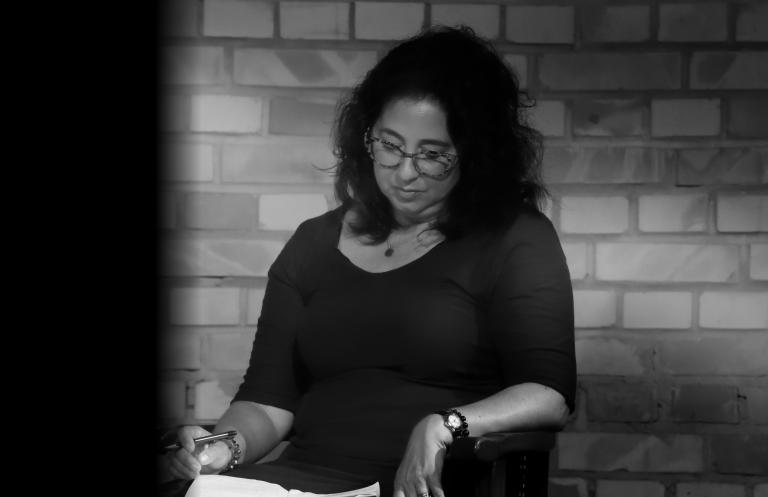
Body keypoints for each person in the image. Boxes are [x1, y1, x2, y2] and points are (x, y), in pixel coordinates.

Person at [163, 25, 576, 497]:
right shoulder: (313, 243)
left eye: (433, 155)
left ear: (476, 156)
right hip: (298, 481)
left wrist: (445, 425)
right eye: (390, 145)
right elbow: (266, 402)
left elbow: (549, 394)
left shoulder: (515, 238)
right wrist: (222, 447)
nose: (404, 172)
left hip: (424, 486)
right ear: (366, 136)